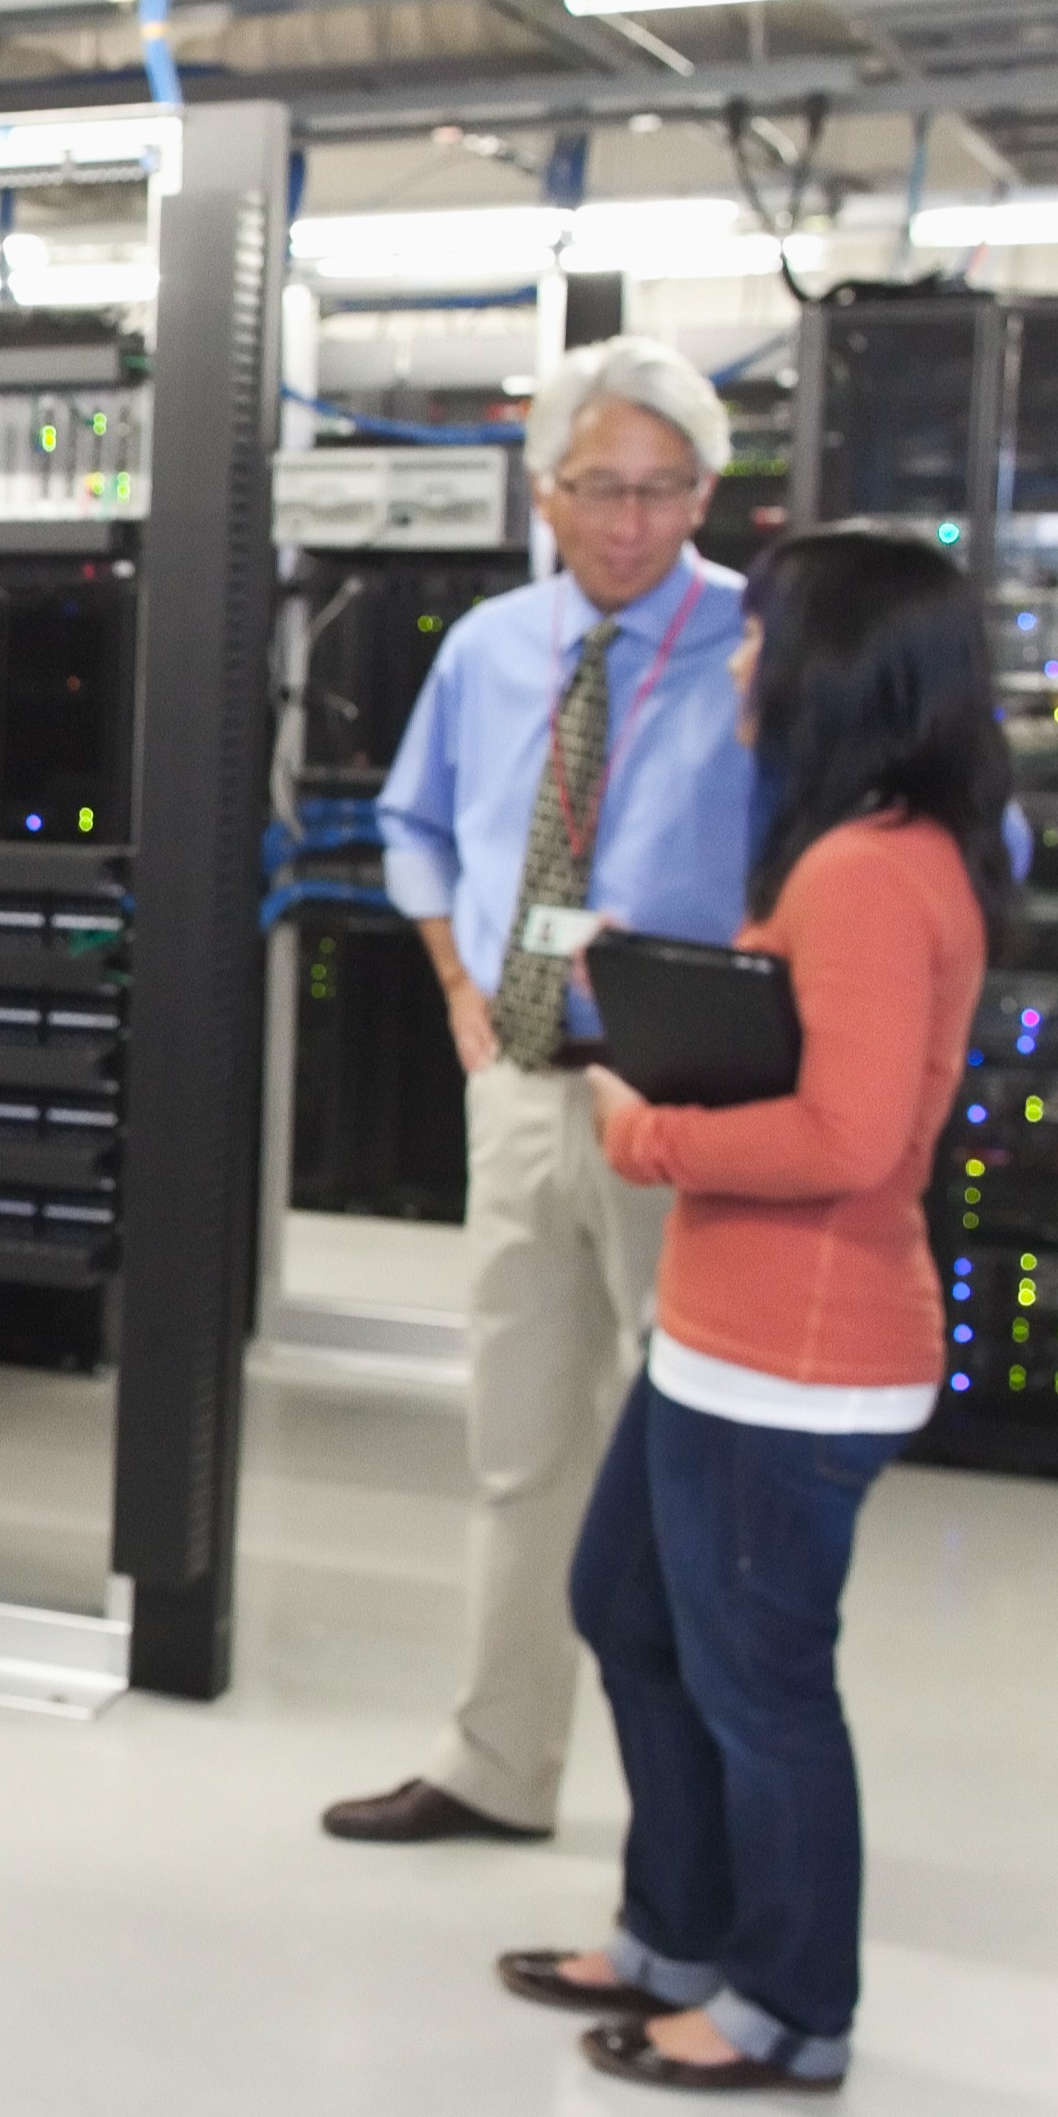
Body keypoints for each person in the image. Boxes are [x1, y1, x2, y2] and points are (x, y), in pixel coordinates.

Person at [494, 529, 1011, 2091]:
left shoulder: (863, 872)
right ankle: (676, 1931)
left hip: (793, 1355)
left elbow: (850, 1138)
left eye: (762, 637)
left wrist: (648, 1124)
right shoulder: (874, 851)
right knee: (628, 1608)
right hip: (729, 1337)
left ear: (838, 670)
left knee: (760, 1685)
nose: (737, 658)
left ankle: (787, 2006)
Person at [328, 336, 757, 1846]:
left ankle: (691, 1804)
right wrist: (455, 978)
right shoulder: (493, 646)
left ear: (707, 492)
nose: (634, 521)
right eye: (602, 489)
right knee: (519, 1444)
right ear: (548, 489)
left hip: (683, 1101)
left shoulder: (764, 646)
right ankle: (498, 1763)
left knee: (691, 1456)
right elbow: (413, 825)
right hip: (519, 1079)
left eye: (665, 491)